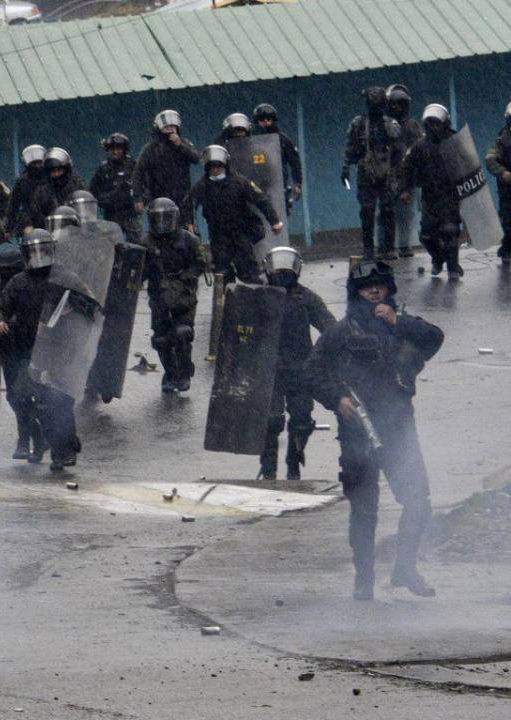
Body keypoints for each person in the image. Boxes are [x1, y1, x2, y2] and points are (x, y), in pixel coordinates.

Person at [306, 259, 443, 601]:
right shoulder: (342, 331)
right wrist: (336, 399)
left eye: (380, 285)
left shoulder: (401, 324)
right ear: (356, 292)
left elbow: (435, 338)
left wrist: (399, 322)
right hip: (359, 434)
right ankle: (363, 578)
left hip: (399, 430)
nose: (374, 291)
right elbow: (311, 371)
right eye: (368, 287)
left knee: (418, 501)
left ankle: (405, 569)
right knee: (364, 511)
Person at [0, 229, 79, 471]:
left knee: (57, 400)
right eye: (34, 252)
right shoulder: (18, 282)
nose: (39, 257)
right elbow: (1, 306)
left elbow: (86, 302)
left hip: (58, 349)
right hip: (28, 351)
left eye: (43, 251)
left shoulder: (64, 277)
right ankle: (49, 441)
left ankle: (64, 451)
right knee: (23, 398)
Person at [258, 247, 335, 481]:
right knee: (270, 420)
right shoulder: (259, 295)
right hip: (269, 368)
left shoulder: (306, 297)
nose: (282, 272)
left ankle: (294, 462)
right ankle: (268, 468)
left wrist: (324, 355)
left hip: (300, 368)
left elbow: (329, 326)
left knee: (301, 419)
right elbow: (239, 328)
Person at [0, 245, 46, 461]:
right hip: (6, 351)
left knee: (24, 395)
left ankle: (30, 439)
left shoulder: (28, 285)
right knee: (15, 398)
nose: (6, 277)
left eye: (9, 271)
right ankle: (34, 435)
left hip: (28, 350)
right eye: (2, 272)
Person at [182, 145, 283, 284]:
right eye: (212, 167)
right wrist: (189, 224)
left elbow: (261, 200)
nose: (216, 170)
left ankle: (259, 300)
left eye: (219, 167)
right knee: (223, 276)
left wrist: (274, 221)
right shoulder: (202, 186)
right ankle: (226, 304)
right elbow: (188, 204)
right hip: (218, 236)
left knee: (250, 273)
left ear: (225, 166)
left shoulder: (239, 182)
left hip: (241, 233)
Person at [144, 197, 209, 392]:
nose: (162, 224)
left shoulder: (189, 239)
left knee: (182, 333)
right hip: (158, 296)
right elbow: (137, 268)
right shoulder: (146, 242)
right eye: (158, 219)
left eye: (167, 219)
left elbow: (200, 262)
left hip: (183, 295)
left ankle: (184, 372)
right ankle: (170, 374)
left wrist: (185, 278)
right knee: (161, 339)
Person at [399, 104, 464, 280]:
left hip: (451, 195)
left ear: (445, 124)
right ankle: (438, 258)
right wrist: (405, 189)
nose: (433, 127)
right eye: (430, 124)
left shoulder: (456, 141)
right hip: (429, 196)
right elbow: (407, 167)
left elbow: (469, 165)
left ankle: (453, 269)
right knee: (427, 236)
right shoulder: (420, 146)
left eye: (437, 123)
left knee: (450, 231)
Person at [342, 87, 404, 260]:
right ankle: (369, 248)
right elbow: (350, 147)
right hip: (366, 171)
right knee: (367, 211)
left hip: (386, 171)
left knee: (388, 209)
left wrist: (397, 173)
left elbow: (398, 148)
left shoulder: (390, 124)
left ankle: (389, 247)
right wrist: (346, 167)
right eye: (371, 104)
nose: (373, 108)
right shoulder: (359, 123)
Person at [132, 109, 202, 211]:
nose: (170, 130)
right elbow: (138, 173)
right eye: (167, 127)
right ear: (159, 129)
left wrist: (180, 145)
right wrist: (138, 198)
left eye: (173, 127)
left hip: (182, 198)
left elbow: (196, 159)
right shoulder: (151, 149)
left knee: (186, 226)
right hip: (158, 199)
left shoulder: (183, 143)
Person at [385, 85, 424, 257]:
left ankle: (404, 246)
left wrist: (408, 186)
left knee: (405, 215)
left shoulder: (413, 127)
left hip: (406, 177)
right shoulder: (383, 126)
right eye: (393, 105)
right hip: (386, 178)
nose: (396, 108)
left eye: (400, 105)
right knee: (386, 214)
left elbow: (418, 154)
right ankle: (387, 247)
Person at [252, 103, 303, 215]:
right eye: (262, 119)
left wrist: (298, 183)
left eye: (269, 119)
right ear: (257, 121)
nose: (265, 122)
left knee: (280, 215)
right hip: (255, 185)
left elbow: (295, 162)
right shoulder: (250, 141)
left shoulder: (283, 140)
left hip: (278, 184)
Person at [89, 133, 141, 243]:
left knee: (138, 245)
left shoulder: (133, 166)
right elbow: (91, 192)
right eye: (112, 149)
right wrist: (106, 199)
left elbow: (145, 185)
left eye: (118, 148)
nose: (115, 152)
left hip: (131, 215)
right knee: (110, 247)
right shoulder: (102, 169)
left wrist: (141, 200)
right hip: (111, 215)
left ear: (124, 149)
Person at [28, 148, 85, 229]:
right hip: (52, 234)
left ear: (66, 169)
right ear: (48, 173)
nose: (56, 174)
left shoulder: (76, 186)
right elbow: (36, 216)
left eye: (59, 170)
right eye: (53, 171)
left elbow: (86, 212)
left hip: (76, 231)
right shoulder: (41, 192)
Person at [485, 101, 511, 266]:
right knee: (508, 223)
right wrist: (503, 172)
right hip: (508, 190)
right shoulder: (502, 140)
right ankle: (507, 250)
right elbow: (490, 159)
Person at [5, 144, 48, 237]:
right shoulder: (21, 182)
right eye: (34, 164)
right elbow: (13, 205)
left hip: (51, 217)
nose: (37, 166)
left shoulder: (51, 177)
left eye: (39, 163)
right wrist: (8, 228)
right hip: (30, 222)